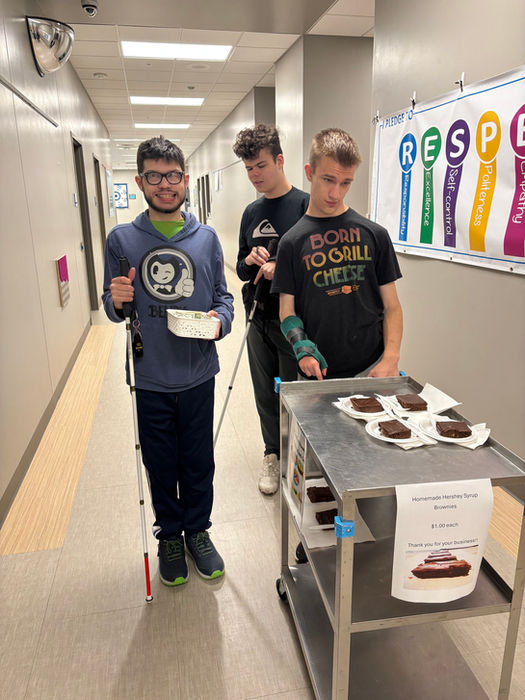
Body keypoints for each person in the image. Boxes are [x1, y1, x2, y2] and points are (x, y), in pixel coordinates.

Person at [102, 136, 234, 587]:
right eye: (154, 176)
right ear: (140, 180)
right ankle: (170, 536)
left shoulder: (207, 239)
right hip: (150, 376)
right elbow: (112, 304)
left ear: (185, 181)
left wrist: (221, 319)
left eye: (173, 176)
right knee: (161, 462)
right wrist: (117, 299)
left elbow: (223, 297)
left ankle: (198, 531)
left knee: (198, 461)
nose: (164, 184)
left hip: (197, 372)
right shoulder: (121, 240)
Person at [273, 127, 403, 382]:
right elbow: (287, 311)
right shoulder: (291, 243)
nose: (336, 193)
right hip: (316, 371)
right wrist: (302, 348)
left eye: (346, 183)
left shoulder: (375, 235)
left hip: (371, 368)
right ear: (310, 173)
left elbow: (392, 307)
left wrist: (391, 358)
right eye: (328, 180)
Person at [233, 124, 309, 495]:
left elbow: (317, 268)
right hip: (257, 317)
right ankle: (271, 453)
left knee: (293, 394)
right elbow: (241, 270)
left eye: (260, 166)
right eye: (248, 169)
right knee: (264, 392)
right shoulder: (251, 212)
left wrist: (285, 268)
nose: (255, 175)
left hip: (292, 323)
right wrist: (250, 259)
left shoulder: (305, 205)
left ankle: (299, 459)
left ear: (280, 160)